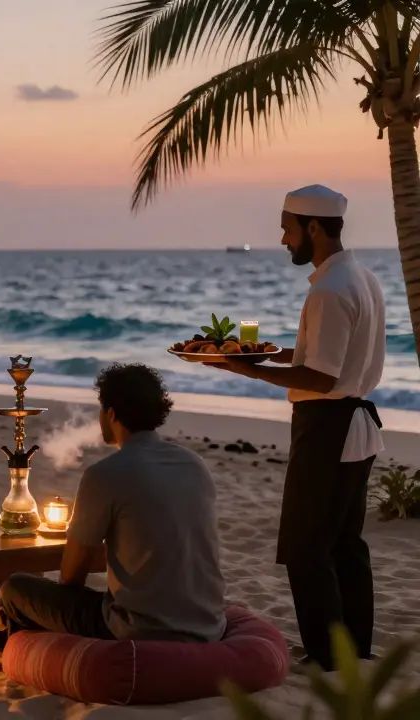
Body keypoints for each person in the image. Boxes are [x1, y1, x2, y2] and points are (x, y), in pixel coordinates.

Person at [209, 184, 385, 670]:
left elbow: (322, 376)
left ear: (312, 227)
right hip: (354, 420)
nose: (283, 239)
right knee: (345, 542)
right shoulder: (361, 277)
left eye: (287, 228)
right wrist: (265, 353)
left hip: (329, 425)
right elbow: (327, 359)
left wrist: (250, 370)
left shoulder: (330, 290)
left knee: (307, 546)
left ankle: (329, 656)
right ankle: (355, 648)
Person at [0, 364, 225, 649]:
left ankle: (24, 652)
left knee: (15, 587)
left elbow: (71, 576)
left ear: (111, 414)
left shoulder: (104, 474)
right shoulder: (195, 465)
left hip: (140, 629)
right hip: (208, 625)